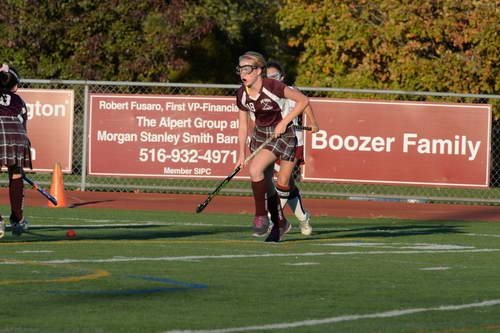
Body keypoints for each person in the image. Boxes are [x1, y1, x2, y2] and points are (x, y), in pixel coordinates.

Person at [235, 51, 309, 242]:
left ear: (259, 70)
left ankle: (261, 216)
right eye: (240, 69)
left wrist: (285, 122)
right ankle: (281, 222)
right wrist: (240, 153)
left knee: (255, 169)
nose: (243, 73)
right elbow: (243, 125)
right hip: (261, 135)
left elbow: (303, 101)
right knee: (265, 184)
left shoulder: (273, 86)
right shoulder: (241, 94)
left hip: (282, 134)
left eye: (247, 69)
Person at [266, 61, 320, 236]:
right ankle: (303, 217)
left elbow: (305, 104)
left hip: (294, 141)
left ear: (282, 76)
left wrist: (313, 123)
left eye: (275, 76)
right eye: (268, 77)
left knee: (282, 181)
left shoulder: (291, 91)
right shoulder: (266, 95)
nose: (272, 80)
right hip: (275, 142)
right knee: (286, 184)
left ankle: (273, 219)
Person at [0, 64, 31, 238]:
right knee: (16, 176)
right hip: (16, 134)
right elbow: (24, 126)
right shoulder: (19, 100)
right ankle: (17, 220)